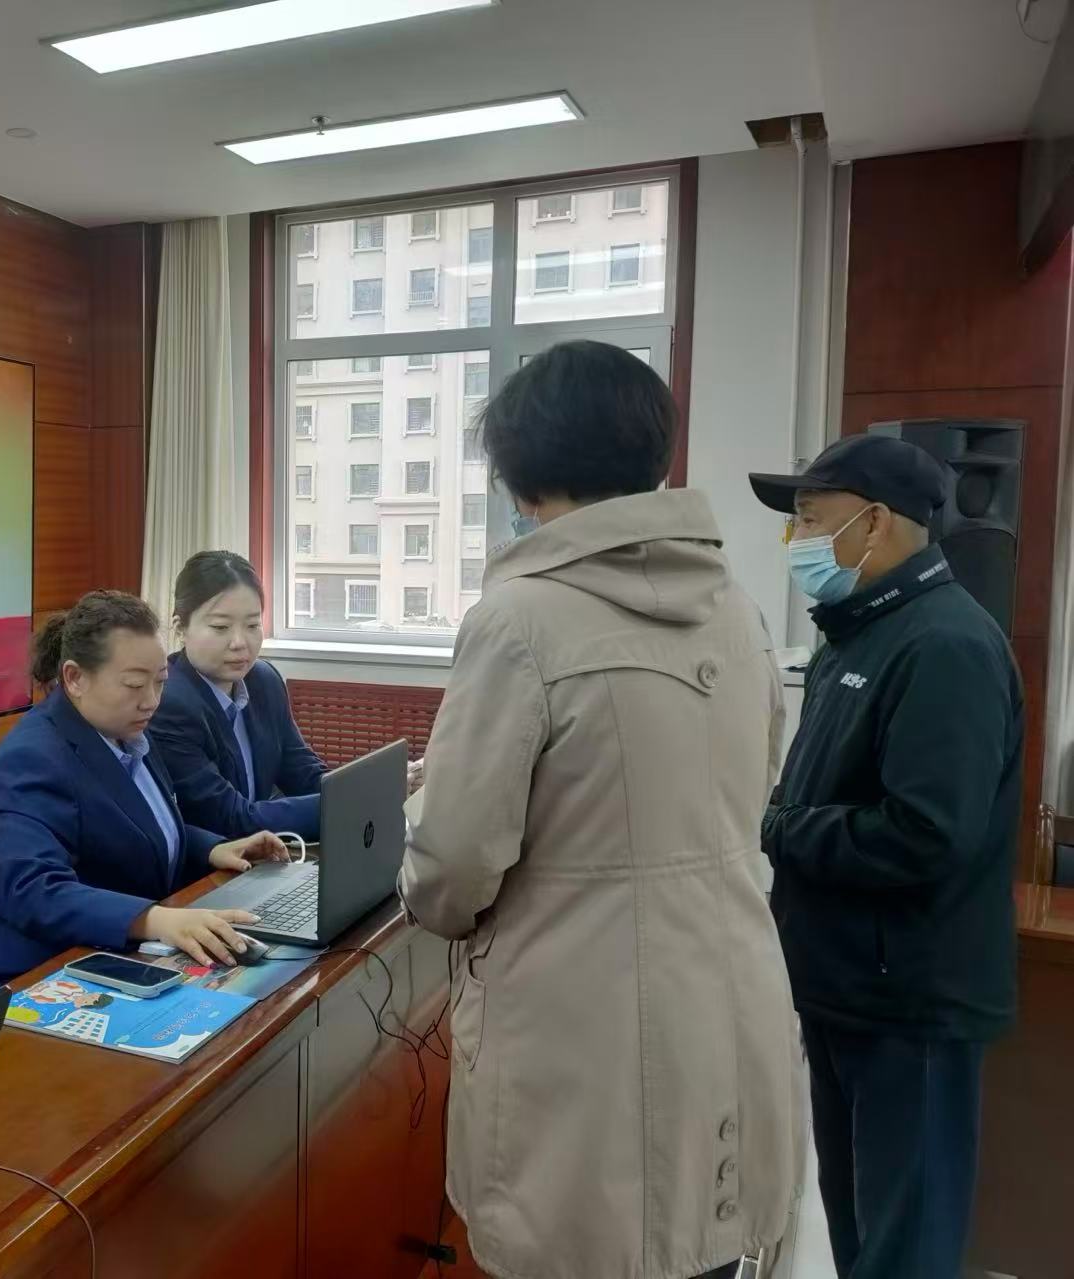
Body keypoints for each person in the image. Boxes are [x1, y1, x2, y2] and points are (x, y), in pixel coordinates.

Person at [399, 340, 802, 1279]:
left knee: (579, 1246)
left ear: (525, 473)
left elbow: (452, 867)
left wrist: (426, 881)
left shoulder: (519, 618)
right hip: (728, 1000)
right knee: (697, 1247)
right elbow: (755, 787)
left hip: (583, 1034)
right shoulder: (738, 611)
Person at [749, 434, 1022, 1279]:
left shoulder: (945, 645)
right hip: (845, 987)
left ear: (874, 522)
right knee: (860, 1234)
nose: (796, 540)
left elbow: (927, 834)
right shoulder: (856, 634)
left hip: (909, 1004)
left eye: (810, 519)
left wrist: (780, 827)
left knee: (905, 1248)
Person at [0, 590, 288, 997]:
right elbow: (32, 890)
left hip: (118, 958)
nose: (151, 701)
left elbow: (137, 827)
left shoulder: (126, 731)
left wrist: (212, 848)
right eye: (134, 684)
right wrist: (155, 920)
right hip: (36, 981)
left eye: (160, 682)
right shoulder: (31, 758)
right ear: (75, 678)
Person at [147, 551, 329, 839]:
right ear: (181, 628)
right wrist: (340, 805)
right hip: (212, 858)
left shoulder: (264, 680)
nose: (239, 643)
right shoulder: (169, 703)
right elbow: (229, 818)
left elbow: (301, 770)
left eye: (253, 625)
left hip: (264, 851)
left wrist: (356, 789)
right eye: (220, 627)